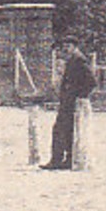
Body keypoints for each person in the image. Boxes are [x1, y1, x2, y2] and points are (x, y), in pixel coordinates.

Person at [43, 38, 96, 170]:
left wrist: (80, 97)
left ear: (75, 46)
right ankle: (63, 160)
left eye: (68, 46)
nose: (65, 49)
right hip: (67, 101)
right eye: (64, 46)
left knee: (62, 130)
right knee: (64, 131)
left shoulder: (79, 61)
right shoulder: (72, 60)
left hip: (72, 102)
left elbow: (92, 82)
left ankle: (60, 160)